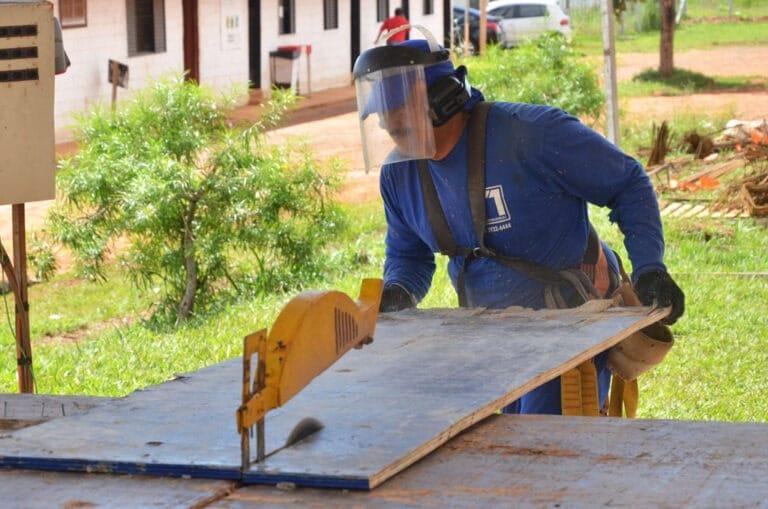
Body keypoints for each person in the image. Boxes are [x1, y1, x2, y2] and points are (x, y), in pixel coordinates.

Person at [352, 34, 685, 415]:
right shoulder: (400, 175)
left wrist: (649, 269)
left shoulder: (532, 134)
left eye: (399, 116)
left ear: (444, 99)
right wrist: (398, 291)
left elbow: (628, 183)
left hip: (568, 326)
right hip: (490, 336)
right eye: (384, 119)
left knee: (546, 452)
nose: (384, 125)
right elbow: (408, 255)